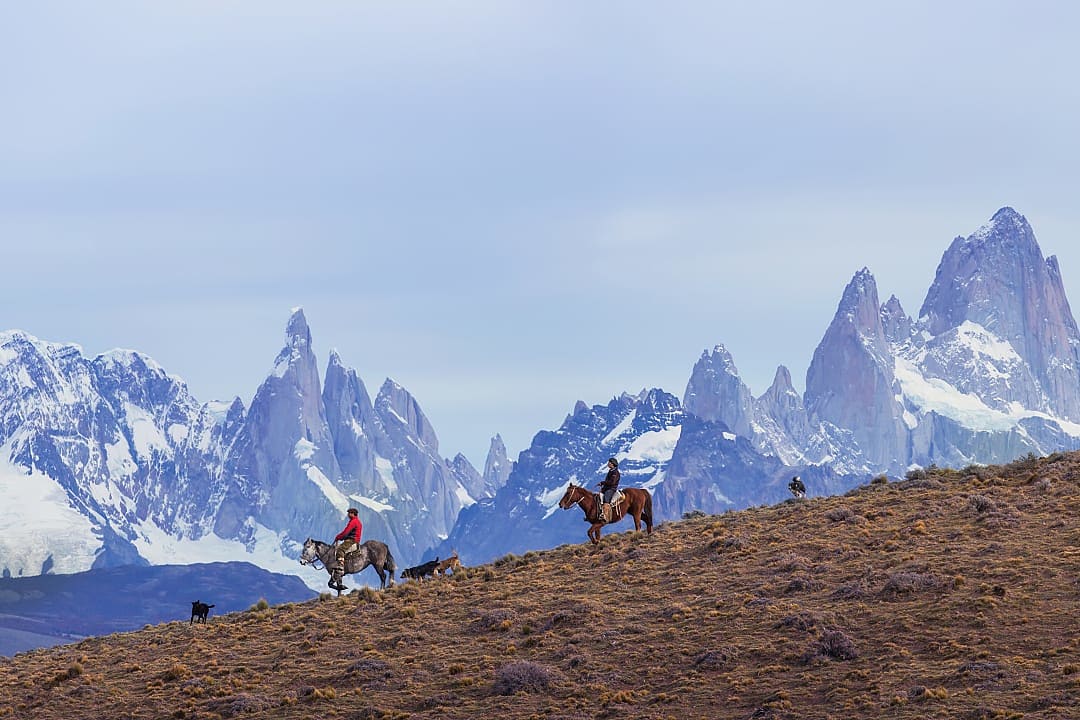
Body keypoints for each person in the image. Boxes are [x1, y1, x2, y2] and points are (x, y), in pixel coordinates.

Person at [330, 507, 362, 591]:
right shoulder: (357, 521)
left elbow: (345, 532)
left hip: (351, 540)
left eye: (349, 513)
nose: (348, 515)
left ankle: (340, 567)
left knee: (340, 550)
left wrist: (338, 537)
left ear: (352, 514)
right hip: (355, 540)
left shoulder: (353, 522)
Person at [598, 457, 620, 522]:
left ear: (612, 464)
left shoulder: (615, 472)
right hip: (607, 488)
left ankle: (605, 515)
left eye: (609, 462)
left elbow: (612, 482)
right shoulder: (611, 471)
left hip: (611, 489)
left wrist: (602, 483)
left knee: (606, 498)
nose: (608, 463)